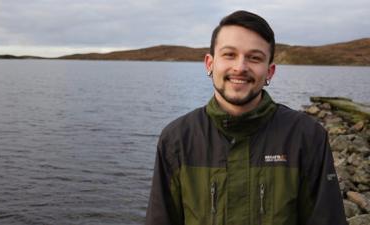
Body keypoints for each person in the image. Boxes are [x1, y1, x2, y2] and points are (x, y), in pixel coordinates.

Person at [145, 10, 347, 225]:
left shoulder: (307, 136)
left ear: (269, 72)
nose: (240, 67)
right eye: (229, 54)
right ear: (210, 64)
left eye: (254, 58)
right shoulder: (177, 139)